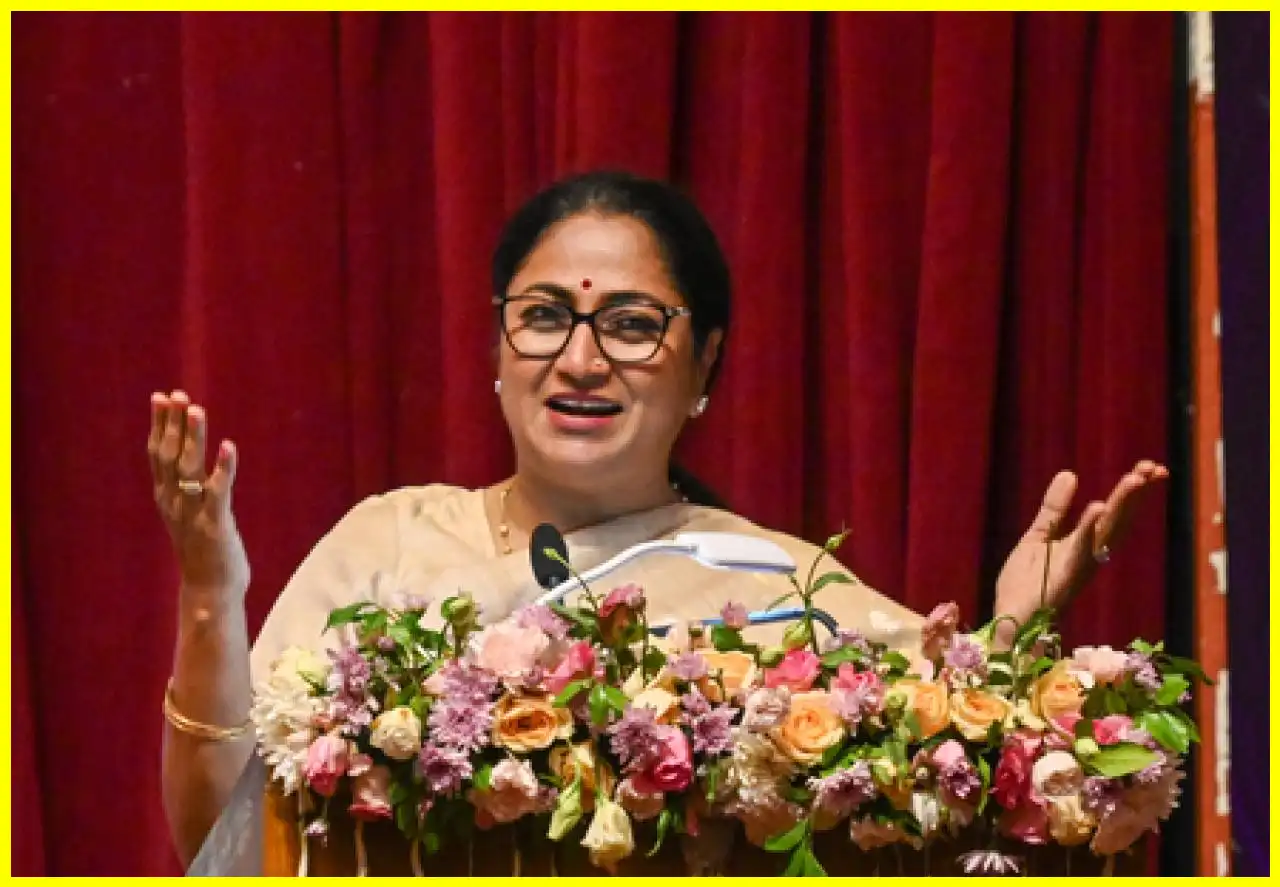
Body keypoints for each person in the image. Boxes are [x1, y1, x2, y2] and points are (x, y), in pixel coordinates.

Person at [151, 170, 1167, 866]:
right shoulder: (389, 542)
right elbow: (220, 839)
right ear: (497, 348)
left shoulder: (778, 584)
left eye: (632, 324)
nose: (581, 358)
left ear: (704, 363)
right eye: (544, 315)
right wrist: (210, 591)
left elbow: (942, 785)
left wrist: (1009, 636)